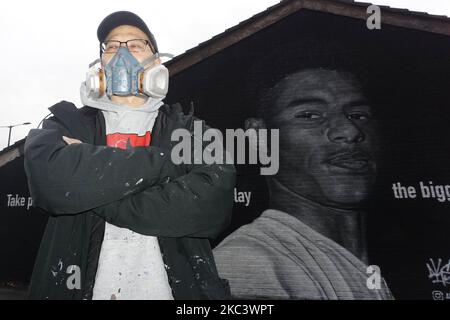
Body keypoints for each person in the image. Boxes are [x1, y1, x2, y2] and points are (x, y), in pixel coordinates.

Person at [24, 11, 235, 300]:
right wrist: (168, 161)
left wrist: (95, 192)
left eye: (135, 46)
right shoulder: (66, 122)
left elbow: (214, 200)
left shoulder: (189, 129)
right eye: (112, 47)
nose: (122, 54)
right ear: (101, 64)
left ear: (156, 63)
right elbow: (51, 183)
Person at [213, 62, 394, 299]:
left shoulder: (379, 261)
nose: (349, 130)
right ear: (259, 137)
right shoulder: (248, 264)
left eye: (358, 115)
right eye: (310, 115)